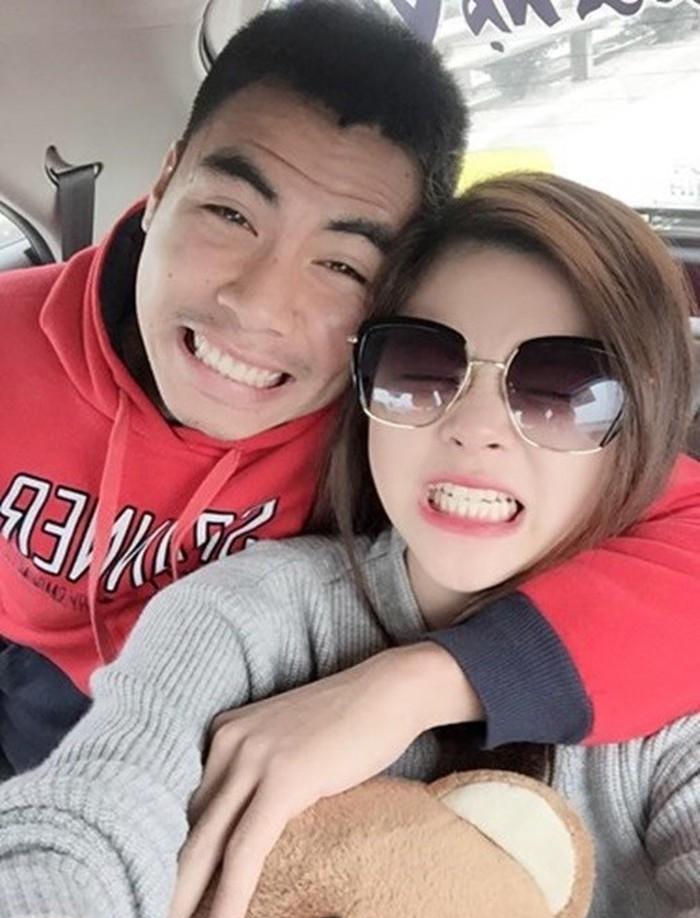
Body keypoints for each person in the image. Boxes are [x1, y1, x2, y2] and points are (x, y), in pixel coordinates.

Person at [0, 0, 698, 783]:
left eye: (340, 264)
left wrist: (420, 685)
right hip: (35, 683)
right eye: (230, 214)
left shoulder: (407, 406)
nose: (260, 306)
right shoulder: (9, 338)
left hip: (259, 725)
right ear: (164, 183)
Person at [1, 173, 698, 918]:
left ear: (641, 418)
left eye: (561, 389)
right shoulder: (247, 615)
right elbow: (94, 805)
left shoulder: (667, 678)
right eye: (420, 368)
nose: (473, 427)